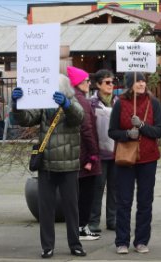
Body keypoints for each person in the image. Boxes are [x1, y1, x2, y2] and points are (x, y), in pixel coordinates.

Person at [12, 76, 86, 258]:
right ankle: (47, 246)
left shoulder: (73, 102)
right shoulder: (44, 105)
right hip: (46, 164)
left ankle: (75, 244)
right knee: (46, 208)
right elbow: (26, 119)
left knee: (71, 208)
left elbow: (79, 117)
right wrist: (16, 104)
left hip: (68, 164)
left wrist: (67, 105)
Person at [108, 71, 161, 254]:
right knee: (124, 201)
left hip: (148, 158)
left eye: (143, 80)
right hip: (126, 159)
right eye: (137, 81)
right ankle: (121, 241)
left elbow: (158, 131)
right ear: (130, 84)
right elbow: (112, 131)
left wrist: (141, 126)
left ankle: (141, 240)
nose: (141, 83)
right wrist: (126, 134)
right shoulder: (120, 103)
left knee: (145, 201)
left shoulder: (153, 102)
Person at [66, 66, 102, 241]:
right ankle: (81, 228)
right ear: (79, 82)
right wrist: (93, 155)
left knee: (78, 193)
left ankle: (79, 227)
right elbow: (87, 129)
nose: (90, 84)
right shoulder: (83, 102)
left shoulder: (72, 99)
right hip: (86, 154)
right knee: (87, 193)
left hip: (76, 153)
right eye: (88, 80)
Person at [89, 69, 117, 233]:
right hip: (99, 152)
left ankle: (112, 220)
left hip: (116, 151)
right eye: (107, 82)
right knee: (97, 188)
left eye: (112, 82)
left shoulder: (118, 101)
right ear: (98, 84)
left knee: (114, 188)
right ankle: (93, 221)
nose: (111, 85)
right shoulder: (91, 103)